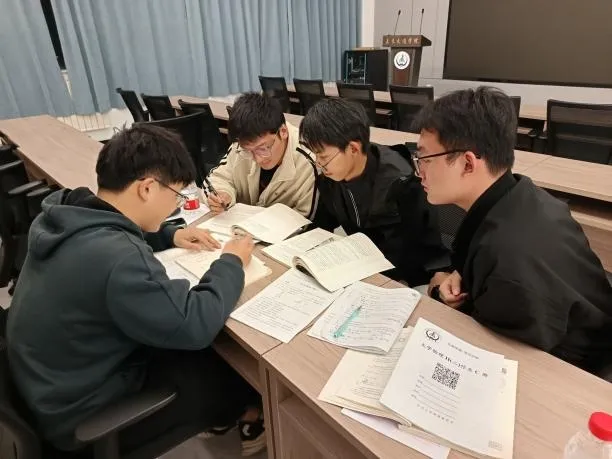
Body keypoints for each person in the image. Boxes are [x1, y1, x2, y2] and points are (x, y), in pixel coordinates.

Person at [6, 125, 266, 456]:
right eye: (176, 195)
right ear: (147, 188)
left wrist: (169, 234)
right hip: (82, 414)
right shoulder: (119, 259)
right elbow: (194, 323)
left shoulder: (64, 212)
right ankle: (251, 416)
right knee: (219, 363)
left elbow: (110, 228)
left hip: (50, 386)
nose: (174, 206)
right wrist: (231, 262)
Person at [413, 86, 612, 377]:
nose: (419, 171)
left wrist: (439, 291)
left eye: (425, 159)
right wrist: (463, 274)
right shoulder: (521, 193)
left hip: (572, 375)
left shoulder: (507, 258)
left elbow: (503, 359)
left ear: (467, 163)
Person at [300, 98, 447, 286]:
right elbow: (323, 223)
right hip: (361, 266)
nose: (319, 164)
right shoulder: (331, 176)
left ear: (353, 148)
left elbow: (418, 251)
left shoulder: (401, 183)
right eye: (316, 156)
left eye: (324, 157)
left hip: (405, 278)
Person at [207, 92, 317, 218]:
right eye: (248, 151)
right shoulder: (241, 145)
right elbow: (218, 177)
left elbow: (304, 218)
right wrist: (223, 194)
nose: (258, 159)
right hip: (239, 226)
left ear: (283, 132)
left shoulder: (308, 159)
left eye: (263, 149)